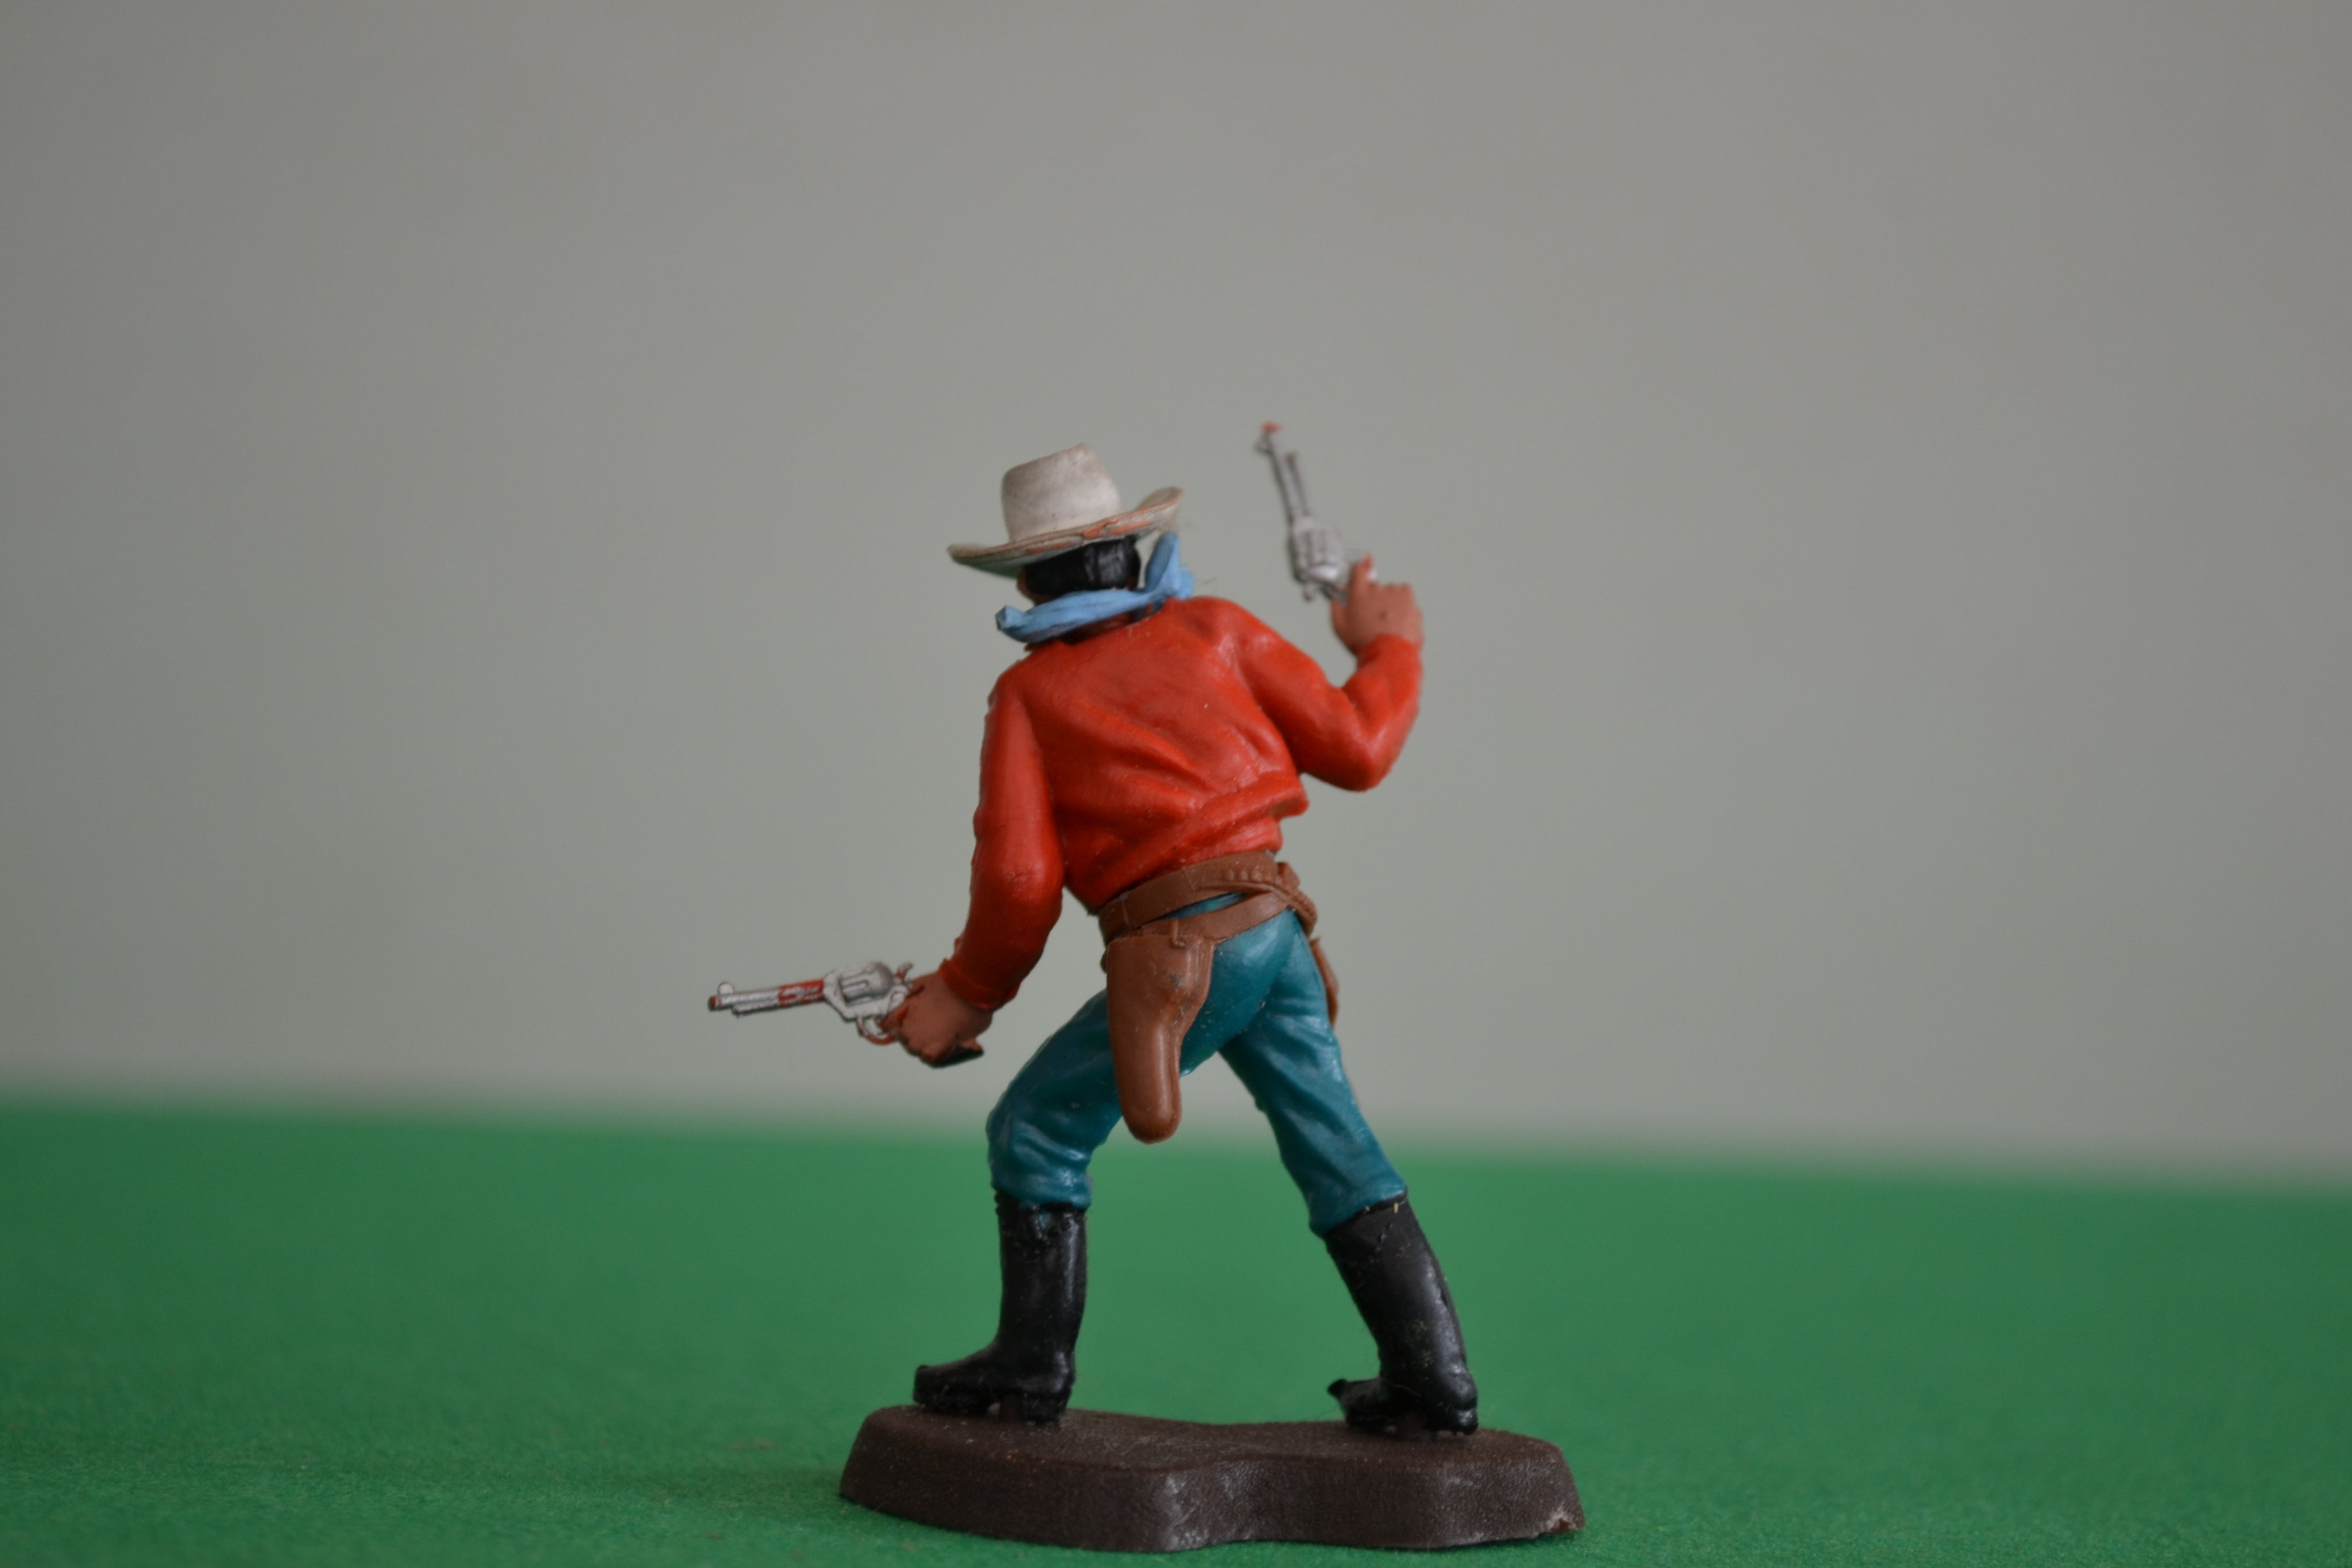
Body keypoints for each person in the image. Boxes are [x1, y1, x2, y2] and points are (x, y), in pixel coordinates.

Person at [884, 443, 1477, 1435]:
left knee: (1034, 1130)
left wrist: (966, 994)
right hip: (1278, 930)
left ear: (1027, 583)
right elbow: (1360, 747)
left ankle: (1029, 1370)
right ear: (1134, 553)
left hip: (1182, 954)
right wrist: (1391, 648)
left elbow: (1020, 882)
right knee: (1338, 1147)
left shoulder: (1029, 696)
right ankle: (1435, 1381)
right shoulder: (1221, 629)